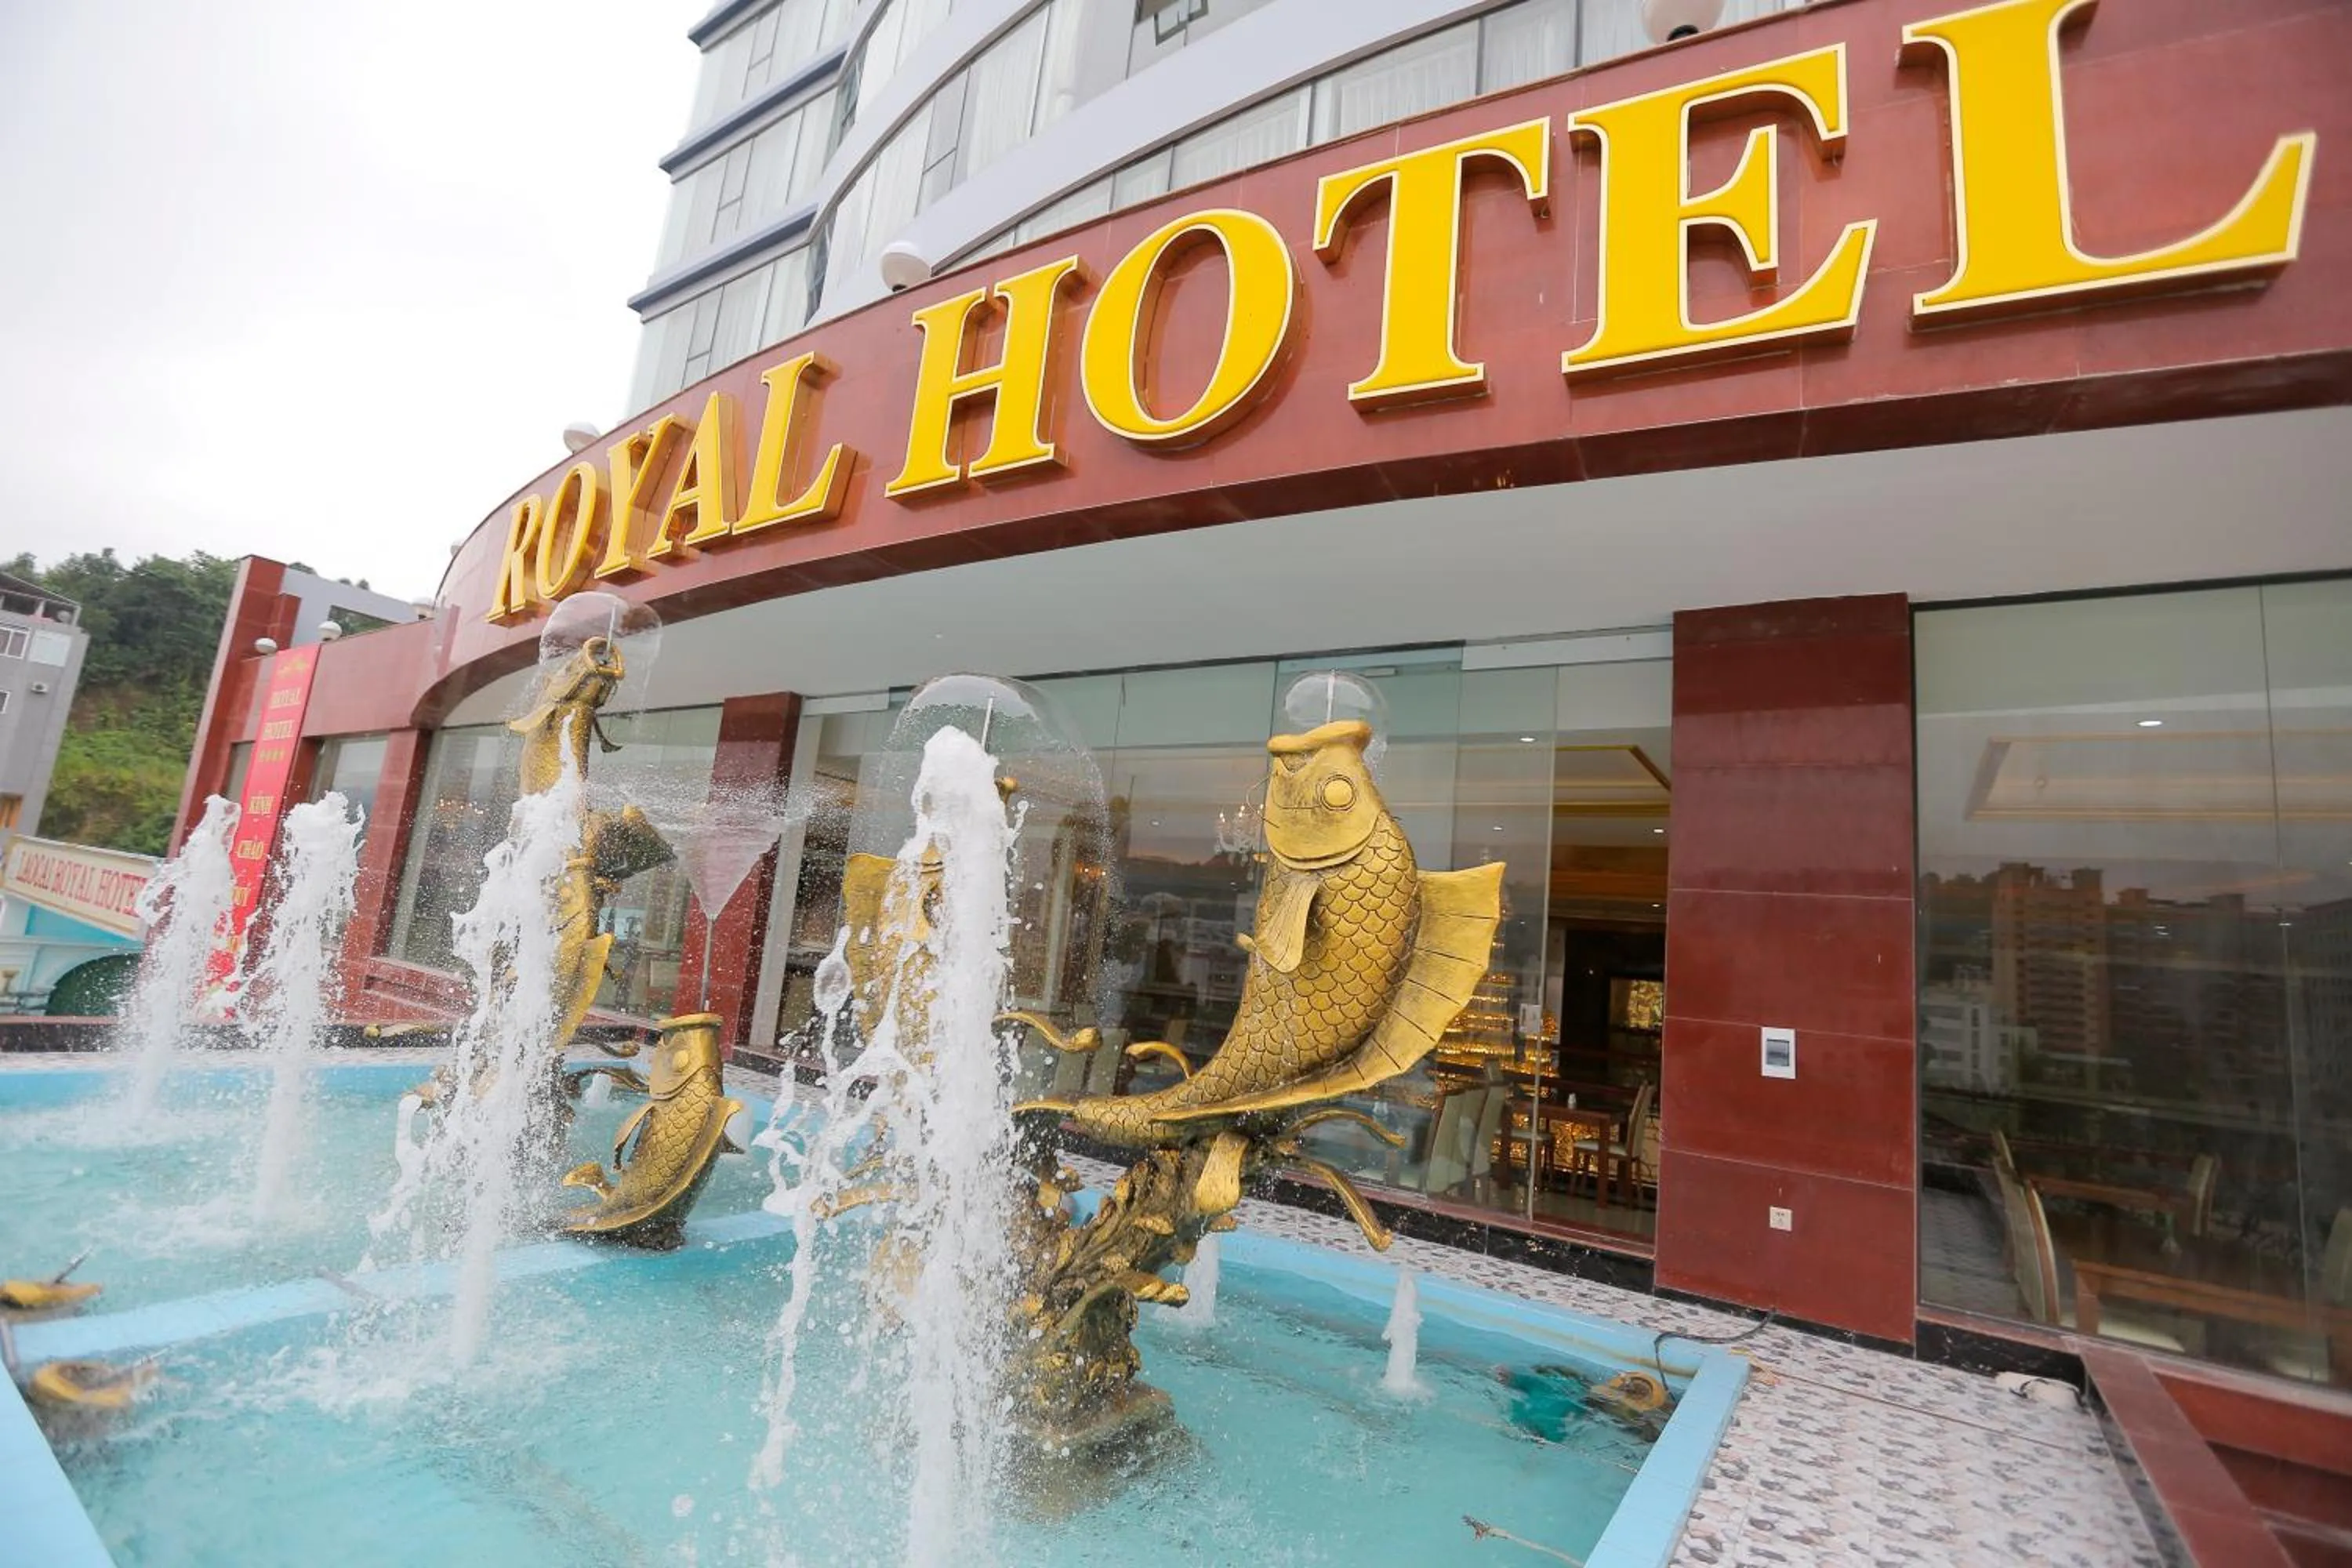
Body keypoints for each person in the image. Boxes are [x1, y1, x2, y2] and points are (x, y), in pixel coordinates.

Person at [1494, 1363, 1589, 1442]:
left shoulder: (1535, 1382)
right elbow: (1586, 1415)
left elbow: (1504, 1375)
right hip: (1552, 1434)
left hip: (1527, 1424)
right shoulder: (1575, 1394)